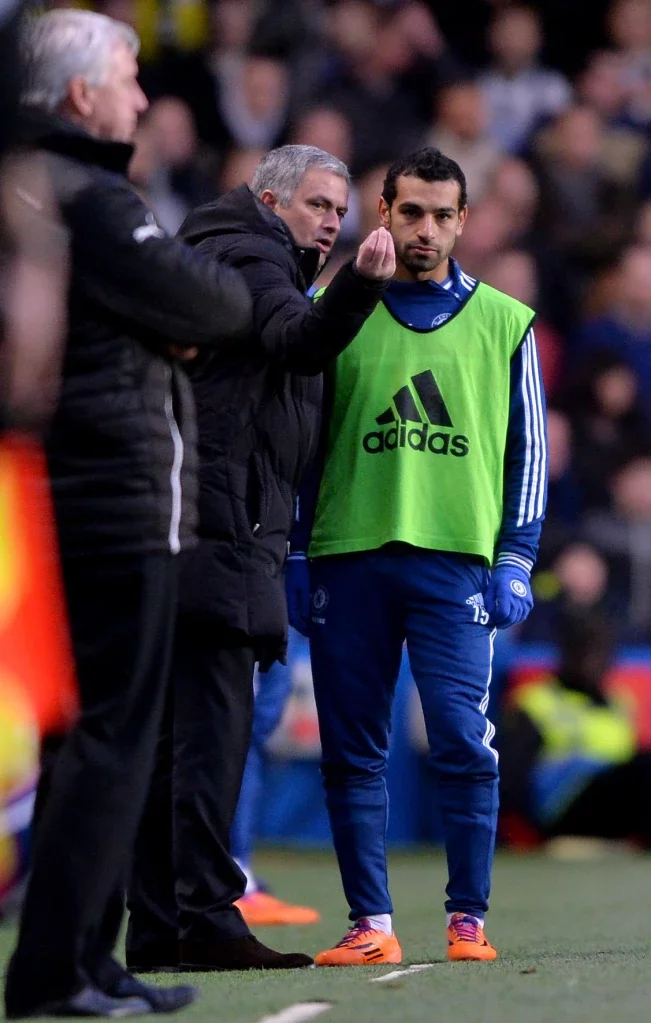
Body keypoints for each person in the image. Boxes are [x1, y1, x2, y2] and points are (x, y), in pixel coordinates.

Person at [4, 9, 252, 1019]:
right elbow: (220, 307)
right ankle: (59, 970)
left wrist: (165, 316)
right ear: (79, 95)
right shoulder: (93, 200)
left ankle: (82, 962)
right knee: (113, 739)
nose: (145, 99)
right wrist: (170, 323)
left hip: (70, 497)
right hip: (118, 499)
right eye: (131, 76)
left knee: (93, 743)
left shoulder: (37, 190)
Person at [126, 144, 395, 972]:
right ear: (271, 199)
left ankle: (160, 920)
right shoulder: (251, 255)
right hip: (224, 533)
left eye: (338, 213)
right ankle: (206, 916)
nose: (330, 223)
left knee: (175, 736)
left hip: (198, 526)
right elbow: (297, 339)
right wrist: (360, 282)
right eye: (318, 206)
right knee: (211, 736)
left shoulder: (221, 249)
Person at [287, 147, 548, 965]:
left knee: (463, 741)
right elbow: (299, 437)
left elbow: (528, 453)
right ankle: (373, 924)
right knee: (351, 748)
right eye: (410, 213)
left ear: (463, 221)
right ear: (383, 213)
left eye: (442, 215)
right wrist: (295, 551)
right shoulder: (332, 307)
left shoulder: (506, 321)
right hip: (347, 555)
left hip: (454, 565)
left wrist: (516, 556)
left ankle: (466, 917)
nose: (425, 230)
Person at [499, 610, 651, 845]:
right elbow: (511, 782)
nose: (595, 661)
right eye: (586, 651)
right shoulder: (535, 702)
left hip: (617, 804)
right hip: (563, 807)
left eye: (602, 652)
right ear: (567, 653)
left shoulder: (620, 703)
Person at [232, 632, 321, 927]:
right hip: (248, 601)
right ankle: (232, 876)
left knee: (247, 739)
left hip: (272, 599)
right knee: (238, 738)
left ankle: (236, 873)